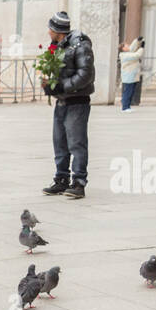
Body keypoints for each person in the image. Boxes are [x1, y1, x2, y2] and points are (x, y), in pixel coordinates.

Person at [40, 11, 94, 200]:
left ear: (57, 30)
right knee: (60, 142)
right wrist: (50, 87)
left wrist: (63, 86)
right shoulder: (58, 46)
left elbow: (86, 74)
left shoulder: (80, 44)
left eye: (50, 28)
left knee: (76, 143)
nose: (48, 32)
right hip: (62, 101)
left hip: (77, 101)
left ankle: (79, 182)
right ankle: (61, 179)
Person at [118, 37, 143, 112]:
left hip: (132, 76)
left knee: (131, 91)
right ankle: (125, 107)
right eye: (126, 46)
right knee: (127, 92)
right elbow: (137, 55)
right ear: (123, 48)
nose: (128, 46)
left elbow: (132, 47)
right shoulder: (124, 55)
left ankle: (127, 106)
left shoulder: (128, 53)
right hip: (128, 76)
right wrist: (141, 48)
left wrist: (137, 40)